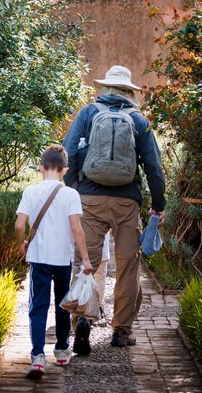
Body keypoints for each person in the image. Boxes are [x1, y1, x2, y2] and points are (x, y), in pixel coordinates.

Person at [63, 65, 166, 352]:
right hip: (126, 203)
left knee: (87, 263)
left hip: (90, 201)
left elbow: (68, 153)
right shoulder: (138, 119)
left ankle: (81, 318)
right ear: (128, 91)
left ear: (106, 88)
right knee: (128, 267)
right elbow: (154, 168)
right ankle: (121, 331)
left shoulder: (87, 113)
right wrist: (158, 205)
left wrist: (75, 191)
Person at [15, 145, 93, 379]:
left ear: (40, 167)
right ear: (65, 170)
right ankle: (61, 350)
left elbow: (19, 225)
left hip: (38, 258)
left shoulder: (30, 191)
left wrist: (22, 243)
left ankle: (38, 357)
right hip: (62, 259)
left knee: (37, 306)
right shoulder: (71, 194)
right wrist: (86, 259)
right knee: (62, 303)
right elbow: (76, 229)